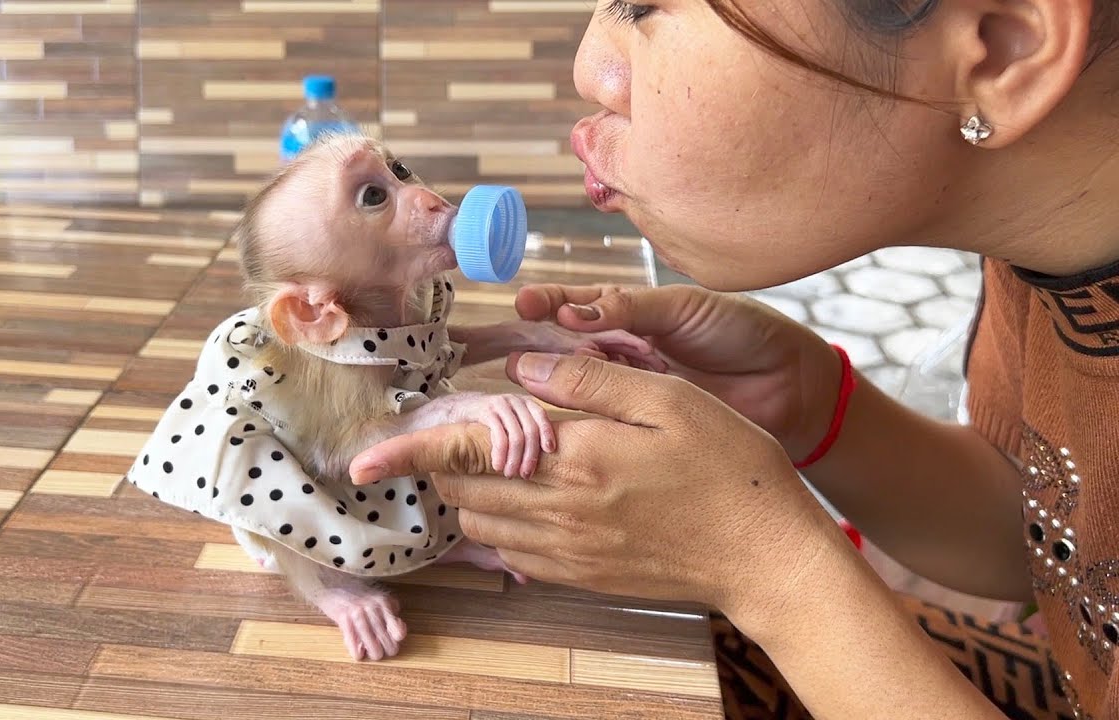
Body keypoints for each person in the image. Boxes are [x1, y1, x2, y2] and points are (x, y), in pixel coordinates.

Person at [347, 0, 1119, 717]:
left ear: (1004, 45)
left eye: (648, 4)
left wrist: (771, 570)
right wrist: (811, 405)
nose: (592, 69)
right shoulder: (1047, 255)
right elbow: (1054, 541)